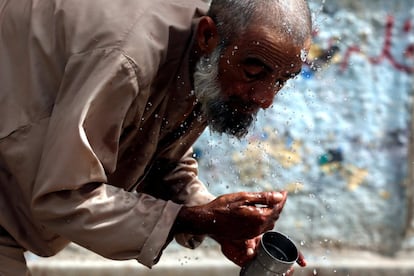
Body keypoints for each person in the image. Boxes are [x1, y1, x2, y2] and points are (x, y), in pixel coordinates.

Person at [0, 0, 312, 274]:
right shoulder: (127, 60)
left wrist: (216, 217)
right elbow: (64, 198)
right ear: (207, 36)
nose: (266, 98)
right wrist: (193, 219)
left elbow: (159, 154)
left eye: (282, 80)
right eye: (255, 73)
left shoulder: (214, 55)